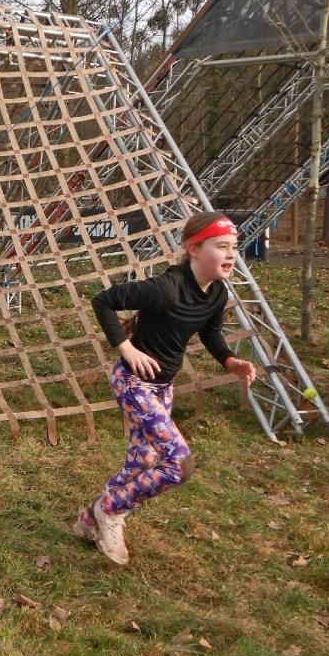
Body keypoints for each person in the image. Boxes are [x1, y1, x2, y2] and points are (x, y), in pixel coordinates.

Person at [75, 212, 257, 566]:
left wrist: (230, 361)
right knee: (177, 464)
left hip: (162, 388)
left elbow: (210, 332)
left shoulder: (216, 293)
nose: (231, 254)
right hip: (131, 382)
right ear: (193, 249)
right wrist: (126, 348)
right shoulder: (164, 288)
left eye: (233, 247)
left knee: (141, 461)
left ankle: (88, 520)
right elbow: (103, 301)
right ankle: (109, 510)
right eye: (221, 247)